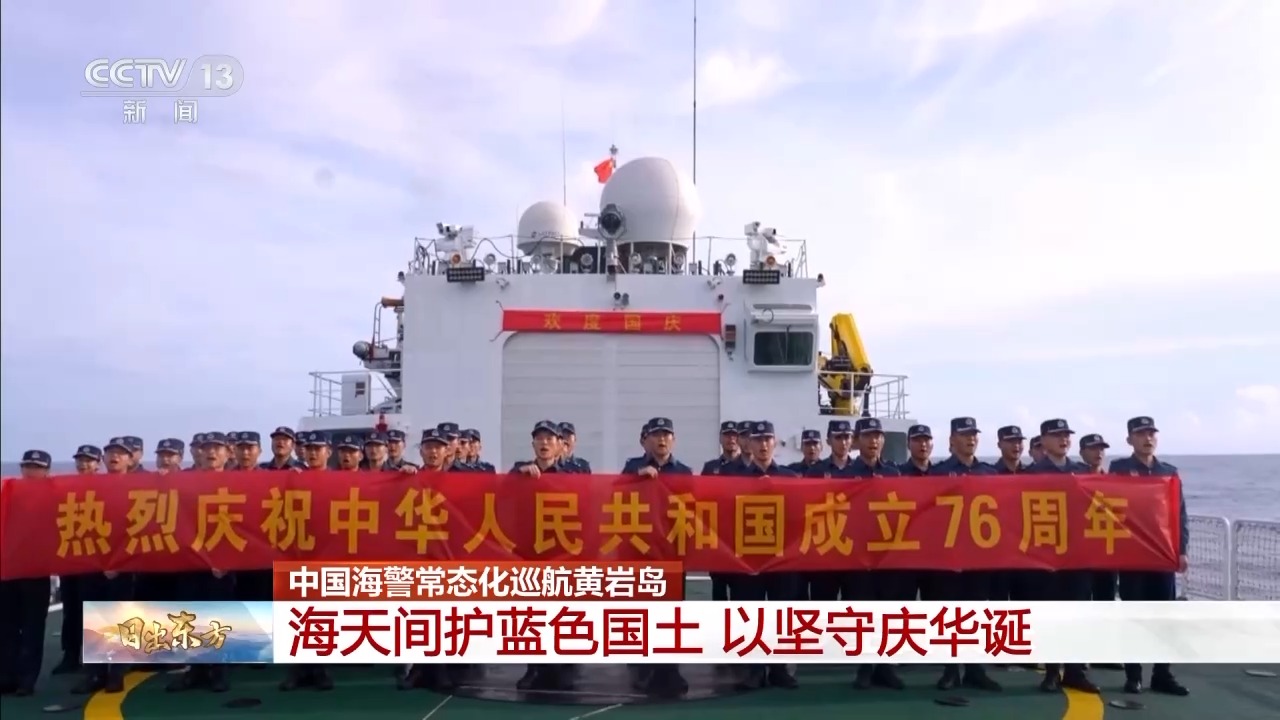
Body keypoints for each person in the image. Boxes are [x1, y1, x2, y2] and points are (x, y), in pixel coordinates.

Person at [1110, 416, 1190, 697]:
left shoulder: (1169, 472)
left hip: (1162, 556)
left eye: (1151, 433)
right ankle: (1133, 675)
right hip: (1132, 556)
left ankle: (1162, 674)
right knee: (1133, 616)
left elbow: (1179, 514)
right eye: (1141, 434)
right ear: (1129, 439)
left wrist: (1182, 550)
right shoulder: (1119, 469)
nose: (1148, 438)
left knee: (1164, 618)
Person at [927, 418, 1002, 692]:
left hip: (979, 559)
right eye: (964, 434)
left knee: (977, 613)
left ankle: (975, 669)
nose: (971, 439)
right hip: (948, 558)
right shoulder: (937, 474)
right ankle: (950, 670)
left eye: (973, 434)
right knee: (949, 614)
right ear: (952, 440)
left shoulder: (990, 474)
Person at [512, 420, 585, 692]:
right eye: (539, 439)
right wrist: (519, 475)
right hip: (529, 553)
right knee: (532, 613)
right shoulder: (519, 472)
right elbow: (499, 495)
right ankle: (534, 668)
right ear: (533, 444)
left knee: (561, 612)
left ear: (560, 445)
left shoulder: (572, 476)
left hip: (561, 552)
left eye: (550, 439)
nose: (544, 443)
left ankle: (561, 668)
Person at [621, 417, 691, 698]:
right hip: (640, 554)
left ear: (673, 440)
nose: (662, 440)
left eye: (666, 435)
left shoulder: (683, 472)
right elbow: (614, 497)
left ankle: (670, 669)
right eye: (656, 435)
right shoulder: (632, 468)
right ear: (645, 441)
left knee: (671, 615)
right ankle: (643, 669)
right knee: (643, 613)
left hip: (672, 555)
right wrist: (637, 479)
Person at [1030, 419, 1099, 694]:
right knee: (1049, 615)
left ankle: (1074, 671)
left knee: (1076, 616)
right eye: (1057, 435)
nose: (1063, 439)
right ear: (1044, 441)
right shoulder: (1031, 474)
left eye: (1066, 435)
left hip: (1078, 557)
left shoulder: (1083, 472)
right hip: (1046, 557)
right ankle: (1051, 671)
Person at [731, 421, 800, 691]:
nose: (762, 445)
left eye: (767, 439)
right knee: (751, 615)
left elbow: (801, 515)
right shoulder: (735, 480)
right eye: (757, 440)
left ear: (775, 443)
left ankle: (780, 669)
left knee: (781, 614)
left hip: (782, 559)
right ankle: (754, 670)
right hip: (749, 558)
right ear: (748, 444)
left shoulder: (790, 478)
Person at [167, 432, 236, 694]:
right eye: (207, 448)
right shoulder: (184, 483)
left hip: (222, 565)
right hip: (190, 561)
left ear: (227, 453)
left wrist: (229, 559)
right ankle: (195, 670)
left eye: (217, 448)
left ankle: (219, 671)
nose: (211, 453)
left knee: (219, 618)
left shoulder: (239, 483)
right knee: (189, 616)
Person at [846, 417, 907, 690]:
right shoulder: (846, 475)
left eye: (878, 436)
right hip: (857, 557)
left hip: (888, 557)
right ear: (857, 440)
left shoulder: (894, 474)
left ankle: (886, 666)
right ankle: (864, 666)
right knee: (862, 613)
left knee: (888, 611)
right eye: (868, 436)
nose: (874, 441)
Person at [72, 438, 136, 695]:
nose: (115, 457)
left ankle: (117, 673)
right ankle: (95, 673)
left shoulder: (139, 488)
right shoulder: (90, 486)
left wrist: (119, 562)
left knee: (120, 619)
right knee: (94, 619)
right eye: (110, 453)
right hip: (93, 562)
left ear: (130, 459)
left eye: (121, 453)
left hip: (123, 566)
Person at [279, 431, 336, 693]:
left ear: (328, 452)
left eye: (318, 448)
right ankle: (298, 670)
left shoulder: (340, 481)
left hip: (327, 555)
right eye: (309, 448)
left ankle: (321, 669)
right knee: (297, 614)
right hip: (298, 554)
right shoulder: (293, 478)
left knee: (323, 614)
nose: (312, 453)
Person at [0, 451, 55, 696]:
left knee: (32, 627)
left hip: (36, 572)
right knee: (6, 626)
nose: (31, 471)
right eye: (27, 466)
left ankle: (27, 679)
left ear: (46, 471)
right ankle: (6, 676)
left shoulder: (55, 495)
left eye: (37, 467)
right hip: (8, 570)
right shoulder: (8, 491)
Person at [51, 445, 103, 676]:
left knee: (92, 610)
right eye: (80, 460)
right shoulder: (67, 486)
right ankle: (70, 654)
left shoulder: (106, 487)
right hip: (70, 558)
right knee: (71, 609)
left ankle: (94, 659)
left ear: (98, 463)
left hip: (94, 561)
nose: (84, 464)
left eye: (89, 460)